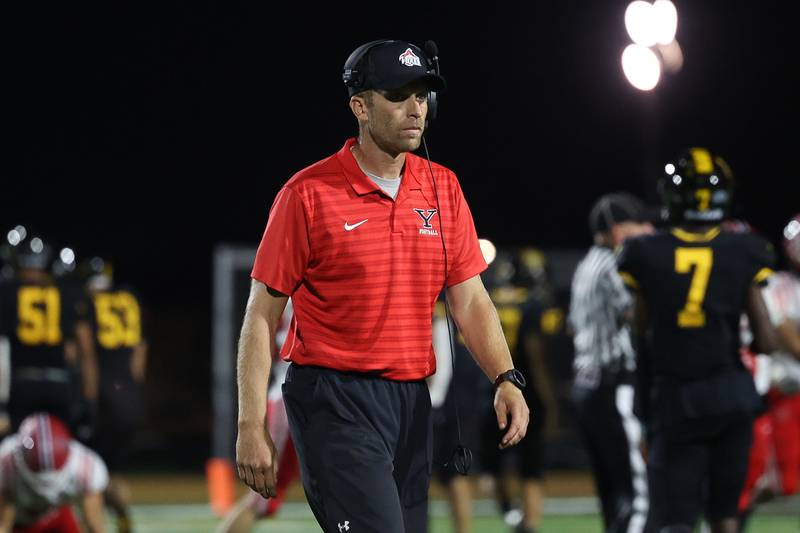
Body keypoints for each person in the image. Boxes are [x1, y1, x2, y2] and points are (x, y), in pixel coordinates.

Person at [235, 38, 530, 533]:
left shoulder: (444, 187)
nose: (415, 109)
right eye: (398, 96)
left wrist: (505, 376)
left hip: (411, 402)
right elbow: (260, 315)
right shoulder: (306, 195)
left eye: (422, 95)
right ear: (360, 107)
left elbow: (471, 298)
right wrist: (250, 424)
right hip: (334, 399)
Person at [617, 147, 778, 533]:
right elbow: (767, 340)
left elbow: (641, 330)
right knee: (725, 515)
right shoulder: (746, 248)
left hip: (678, 397)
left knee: (676, 518)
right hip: (732, 395)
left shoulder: (644, 252)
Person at [568, 192, 653, 533]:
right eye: (640, 225)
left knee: (611, 491)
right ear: (618, 231)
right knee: (637, 492)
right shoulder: (615, 263)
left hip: (586, 386)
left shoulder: (586, 265)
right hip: (613, 386)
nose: (648, 230)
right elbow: (637, 317)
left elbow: (573, 328)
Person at [0, 228, 98, 435]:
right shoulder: (66, 291)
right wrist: (89, 396)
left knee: (20, 444)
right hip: (58, 382)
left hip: (21, 381)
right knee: (60, 443)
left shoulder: (8, 291)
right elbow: (83, 350)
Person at [81, 257, 147, 533]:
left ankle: (95, 523)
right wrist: (133, 390)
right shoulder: (129, 299)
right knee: (110, 470)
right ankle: (121, 518)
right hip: (130, 395)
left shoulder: (87, 305)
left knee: (88, 471)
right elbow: (140, 352)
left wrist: (90, 398)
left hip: (104, 395)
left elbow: (87, 356)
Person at [0, 412, 108, 533]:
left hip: (58, 517)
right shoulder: (6, 464)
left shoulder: (86, 469)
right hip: (22, 523)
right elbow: (3, 524)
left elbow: (94, 525)